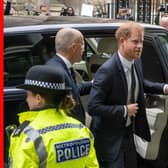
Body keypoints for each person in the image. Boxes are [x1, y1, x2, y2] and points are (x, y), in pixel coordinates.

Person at [88, 22, 168, 168]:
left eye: (141, 41)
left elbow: (140, 83)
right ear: (122, 41)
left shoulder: (136, 62)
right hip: (109, 138)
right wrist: (125, 110)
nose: (140, 46)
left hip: (127, 132)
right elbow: (93, 107)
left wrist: (163, 88)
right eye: (135, 41)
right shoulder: (107, 71)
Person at [8, 65, 99, 168]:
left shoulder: (27, 136)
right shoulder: (81, 129)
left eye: (28, 95)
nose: (26, 100)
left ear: (38, 98)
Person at [46, 28, 92, 124]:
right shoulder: (57, 71)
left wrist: (94, 83)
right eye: (82, 45)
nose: (84, 49)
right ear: (74, 47)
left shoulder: (63, 67)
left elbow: (72, 90)